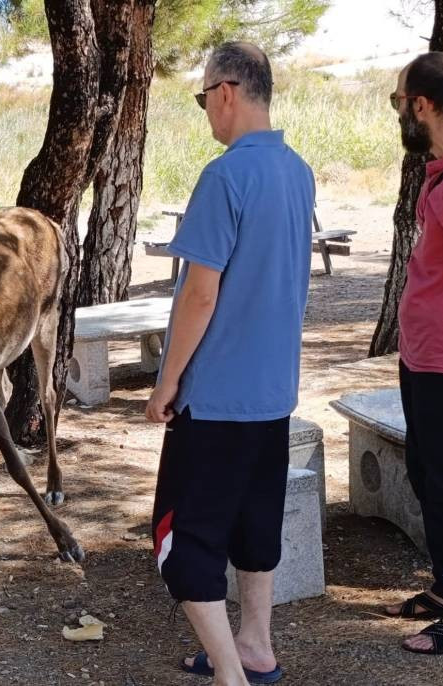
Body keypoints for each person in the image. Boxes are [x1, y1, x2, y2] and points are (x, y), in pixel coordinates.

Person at [145, 43, 314, 686]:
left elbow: (200, 293)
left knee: (184, 538)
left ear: (225, 92)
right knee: (254, 523)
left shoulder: (224, 176)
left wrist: (167, 382)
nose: (206, 111)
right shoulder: (298, 171)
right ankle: (255, 646)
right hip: (273, 390)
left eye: (203, 98)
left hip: (215, 395)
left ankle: (229, 674)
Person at [381, 52, 443, 656]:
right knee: (428, 473)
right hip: (423, 359)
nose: (397, 114)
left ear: (422, 105)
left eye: (399, 102)